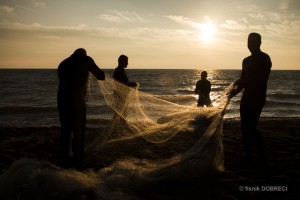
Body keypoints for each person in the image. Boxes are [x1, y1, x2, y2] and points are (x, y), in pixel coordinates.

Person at [57, 48, 105, 170]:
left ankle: (65, 159)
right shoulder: (86, 60)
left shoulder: (63, 63)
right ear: (84, 54)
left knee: (65, 131)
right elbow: (101, 76)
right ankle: (78, 162)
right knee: (79, 131)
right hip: (75, 100)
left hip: (62, 99)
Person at [228, 33, 272, 161]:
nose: (250, 44)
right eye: (249, 41)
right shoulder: (246, 60)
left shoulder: (265, 58)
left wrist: (244, 82)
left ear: (259, 43)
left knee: (251, 126)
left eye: (253, 41)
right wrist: (235, 91)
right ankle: (247, 152)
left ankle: (262, 153)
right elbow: (243, 79)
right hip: (246, 97)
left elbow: (262, 78)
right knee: (244, 126)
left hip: (258, 96)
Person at [112, 55, 137, 120]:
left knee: (122, 112)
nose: (127, 63)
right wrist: (130, 84)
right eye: (126, 61)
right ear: (121, 62)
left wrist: (129, 84)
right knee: (119, 112)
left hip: (122, 94)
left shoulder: (121, 70)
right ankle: (115, 127)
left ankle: (122, 127)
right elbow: (118, 83)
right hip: (119, 94)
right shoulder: (118, 70)